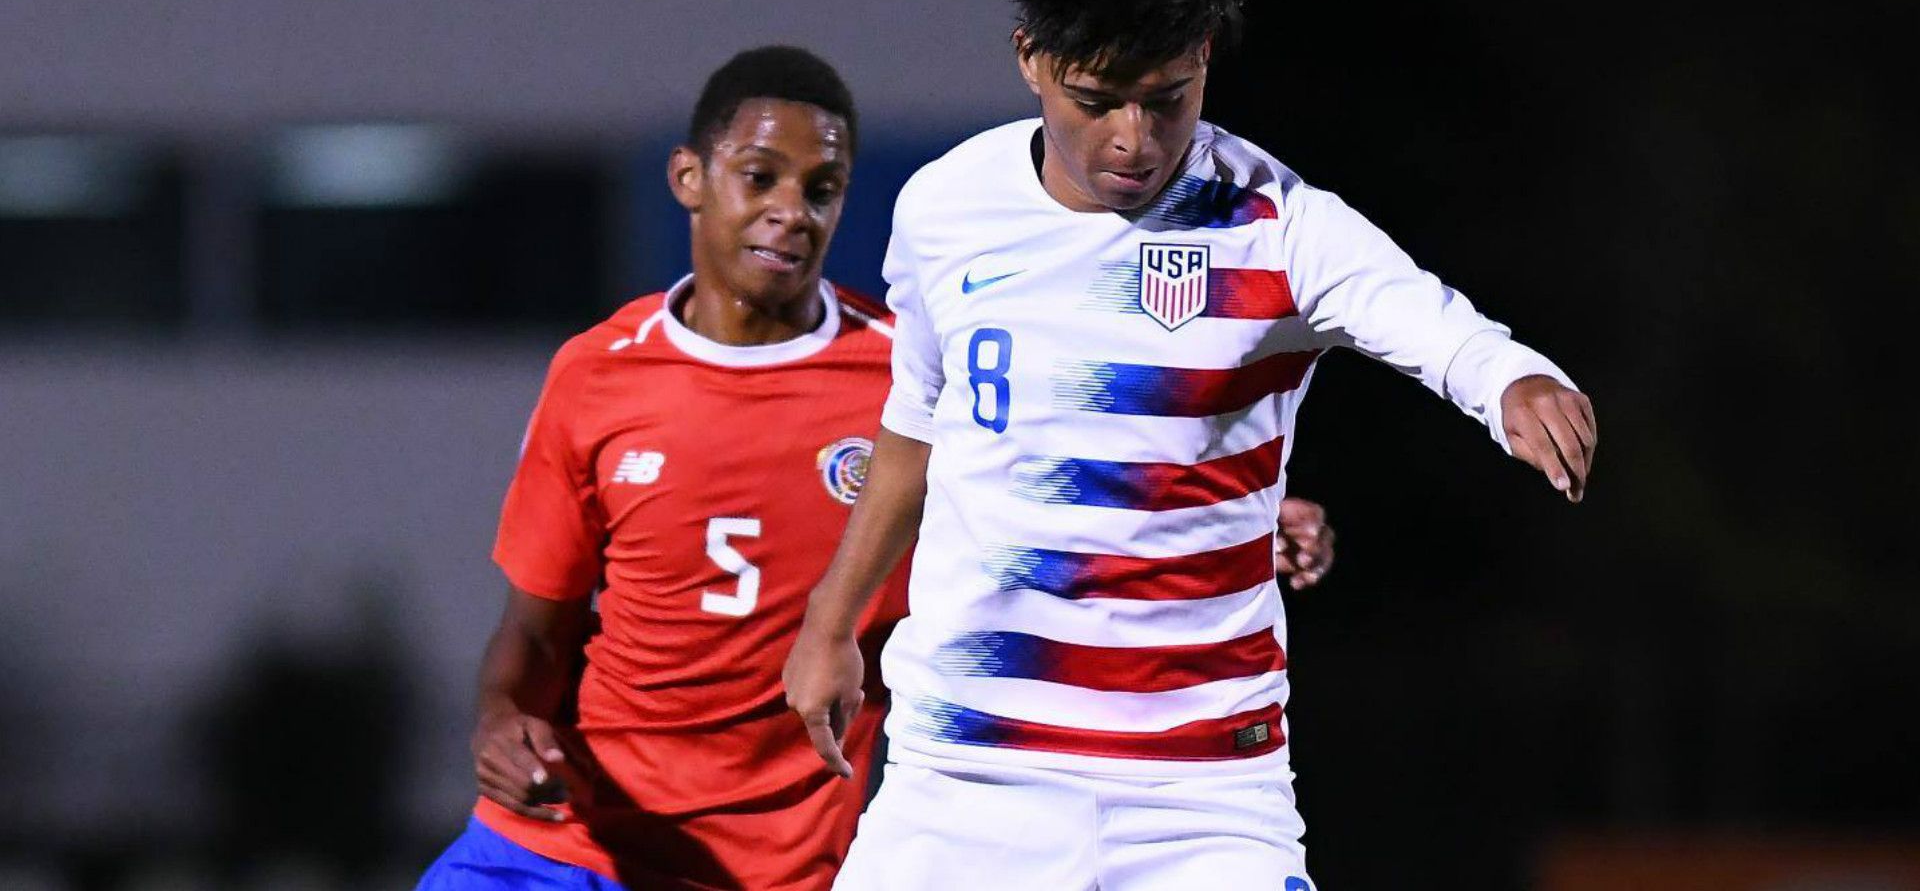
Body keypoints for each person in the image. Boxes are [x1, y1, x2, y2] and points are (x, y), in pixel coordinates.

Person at [783, 0, 1597, 890]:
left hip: (1200, 793)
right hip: (968, 775)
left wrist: (1513, 379)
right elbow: (917, 432)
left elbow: (1427, 318)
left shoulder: (1276, 226)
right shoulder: (945, 208)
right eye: (1097, 100)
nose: (1132, 138)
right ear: (1030, 59)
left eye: (1164, 99)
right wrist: (830, 626)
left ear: (1204, 59)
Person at [419, 45, 1341, 890]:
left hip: (775, 868)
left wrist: (1249, 519)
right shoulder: (597, 374)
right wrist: (500, 719)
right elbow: (536, 631)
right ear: (689, 179)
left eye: (824, 188)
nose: (793, 209)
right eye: (761, 177)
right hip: (569, 841)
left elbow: (1084, 492)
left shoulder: (910, 377)